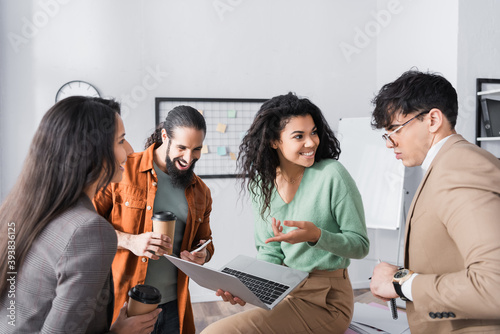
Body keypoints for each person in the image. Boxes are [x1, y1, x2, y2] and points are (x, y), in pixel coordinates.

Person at [201, 92, 369, 334]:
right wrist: (248, 288)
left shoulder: (332, 174)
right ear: (274, 141)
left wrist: (316, 236)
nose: (311, 142)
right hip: (284, 290)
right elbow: (270, 249)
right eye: (299, 136)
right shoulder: (261, 183)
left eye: (313, 132)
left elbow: (360, 245)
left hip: (327, 300)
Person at [0, 96, 160, 333]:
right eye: (121, 141)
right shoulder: (88, 230)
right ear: (90, 151)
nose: (130, 150)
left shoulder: (16, 209)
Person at [369, 70, 500, 333]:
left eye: (394, 129)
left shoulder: (461, 168)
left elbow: (494, 285)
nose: (389, 143)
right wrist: (402, 277)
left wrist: (401, 284)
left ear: (432, 120)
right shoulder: (446, 165)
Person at [94, 105, 214, 334]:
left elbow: (205, 241)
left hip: (173, 305)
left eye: (197, 149)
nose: (189, 158)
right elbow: (87, 227)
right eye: (182, 147)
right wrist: (131, 241)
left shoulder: (201, 191)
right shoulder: (122, 169)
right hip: (125, 302)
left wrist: (202, 254)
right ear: (165, 136)